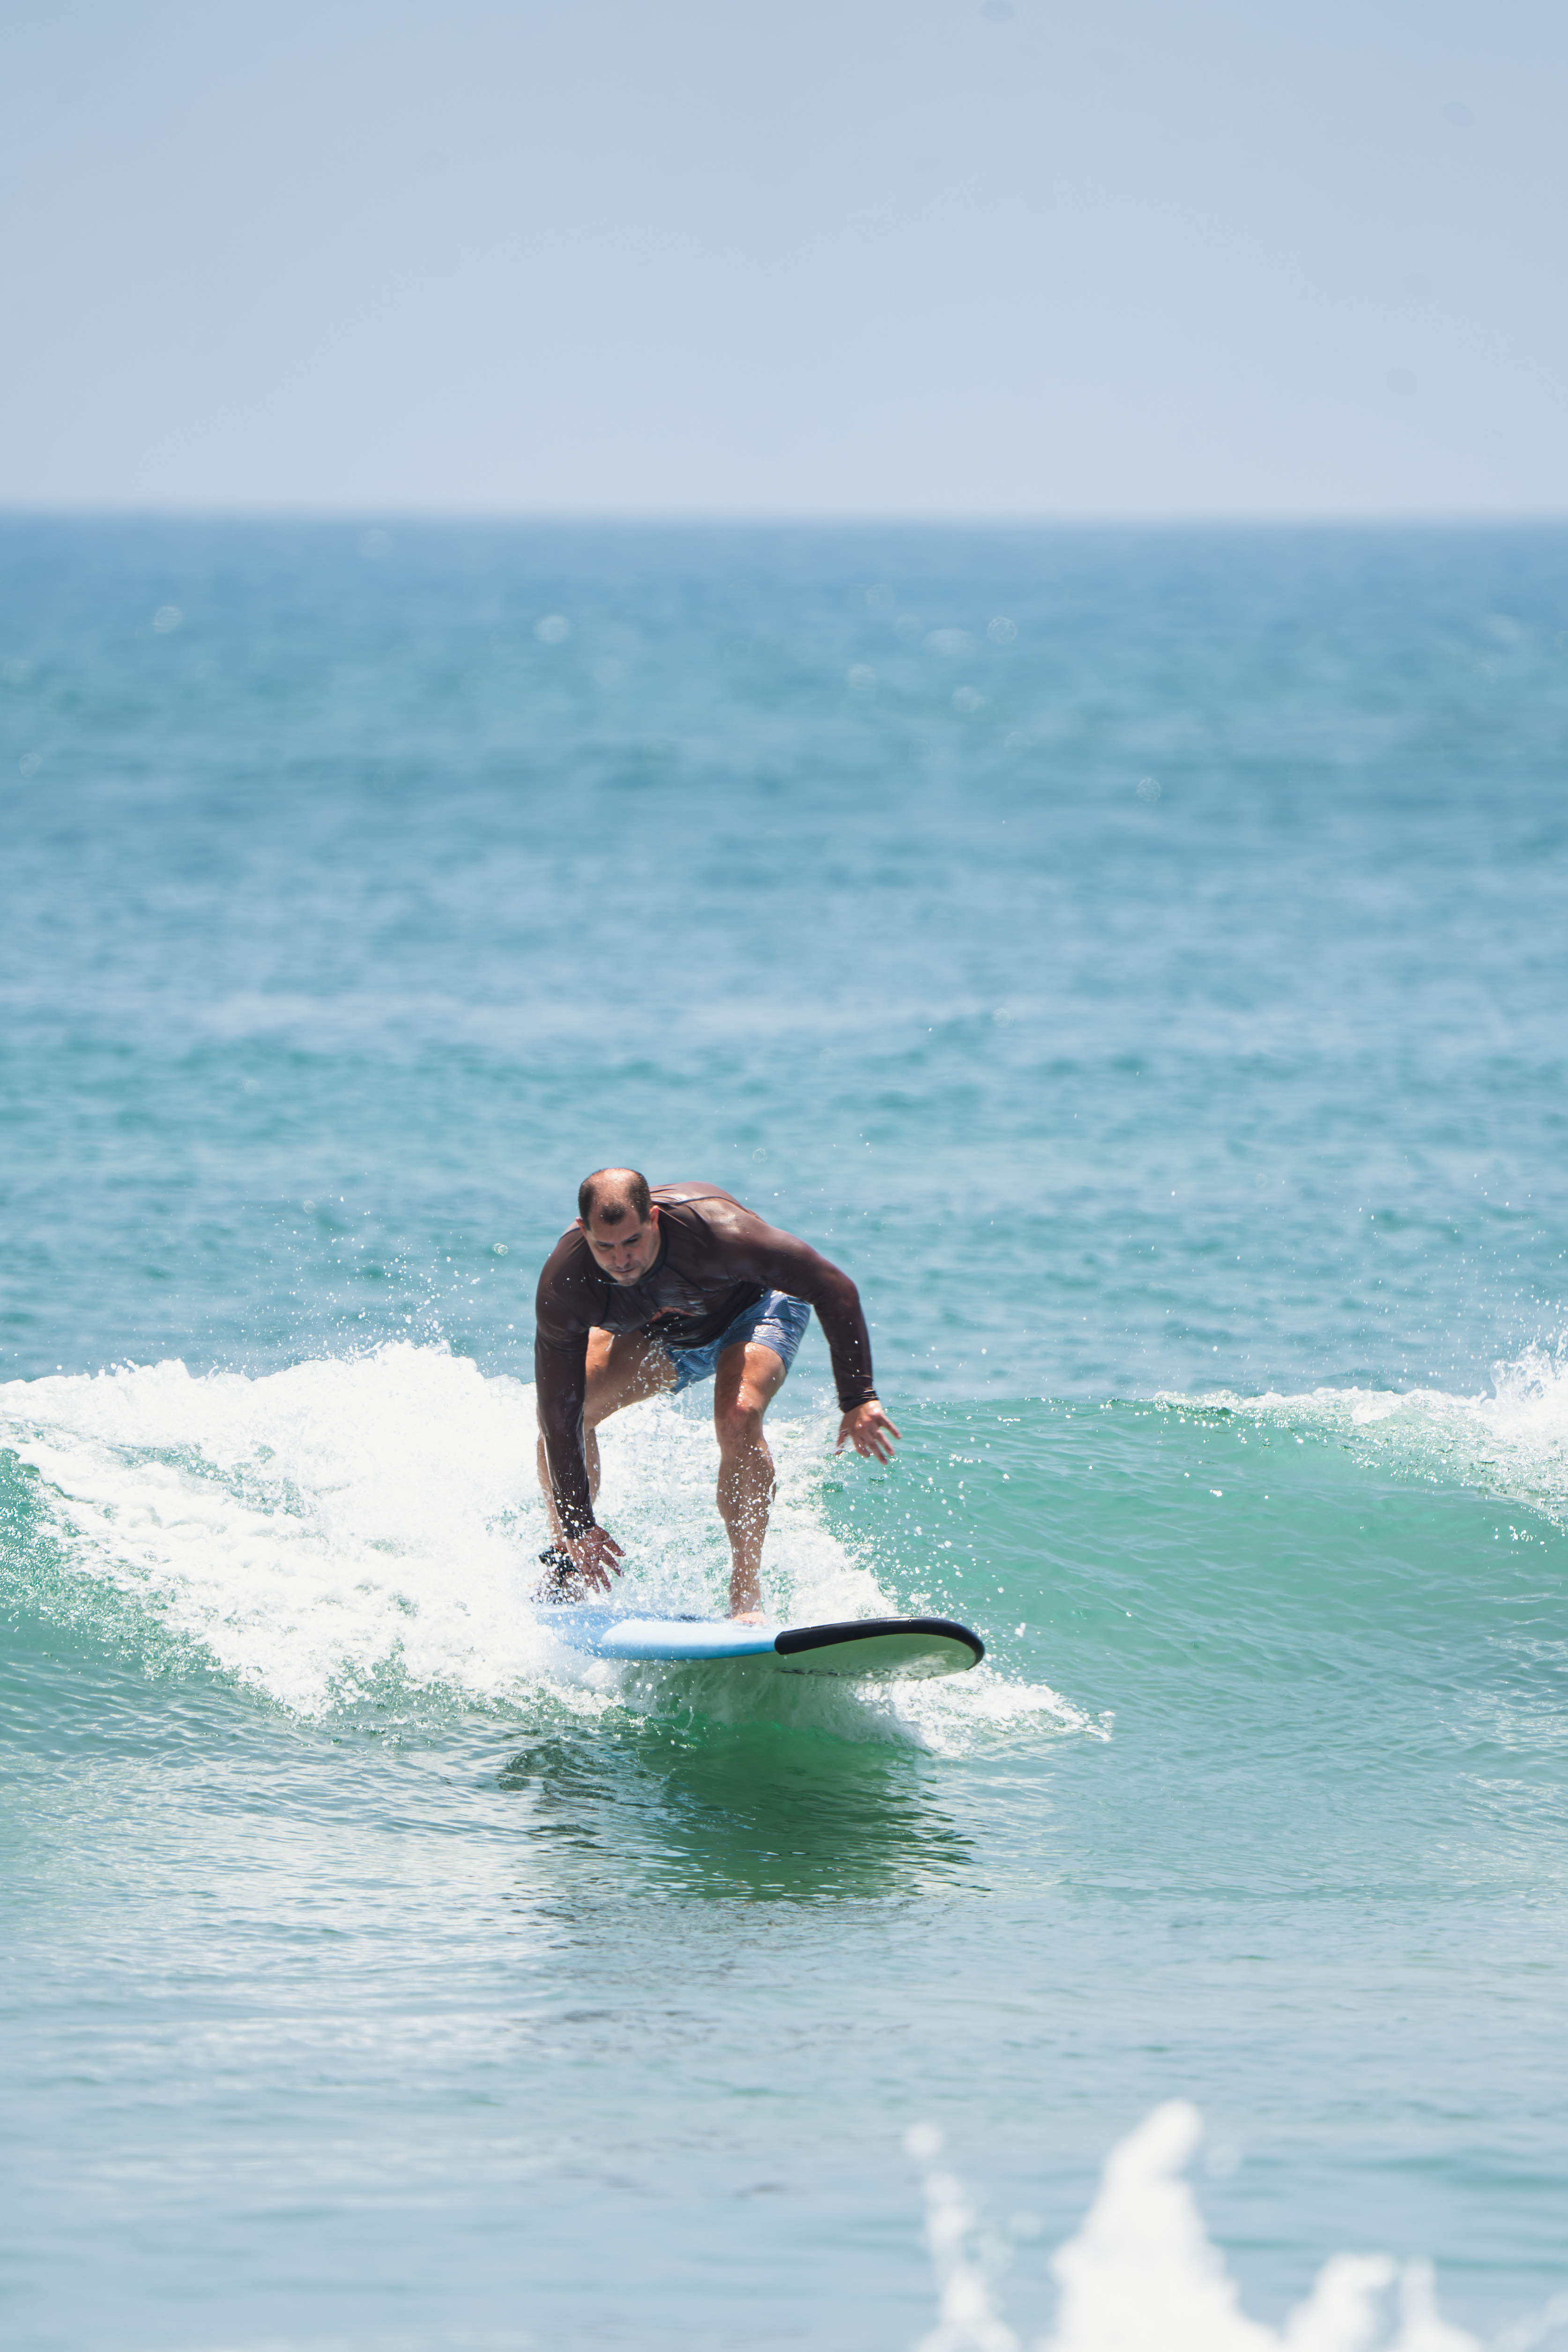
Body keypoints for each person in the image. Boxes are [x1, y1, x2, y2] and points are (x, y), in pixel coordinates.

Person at [534, 1169, 901, 1618]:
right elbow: (558, 1410)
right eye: (604, 1246)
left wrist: (858, 1396)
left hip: (757, 1309)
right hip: (666, 1334)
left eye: (632, 1241)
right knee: (571, 1413)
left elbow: (833, 1287)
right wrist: (578, 1521)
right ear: (582, 1230)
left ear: (653, 1219)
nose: (621, 1259)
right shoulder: (567, 1283)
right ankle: (568, 1565)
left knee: (738, 1414)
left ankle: (745, 1597)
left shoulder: (717, 1232)